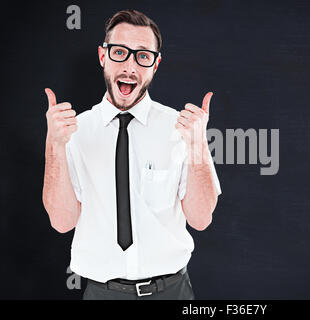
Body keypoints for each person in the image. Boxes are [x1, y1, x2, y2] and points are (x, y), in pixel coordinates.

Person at [42, 9, 221, 300]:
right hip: (103, 293)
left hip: (172, 291)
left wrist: (198, 146)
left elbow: (201, 219)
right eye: (120, 53)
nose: (130, 66)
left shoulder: (183, 129)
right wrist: (55, 146)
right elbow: (62, 222)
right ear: (103, 57)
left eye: (143, 56)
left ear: (155, 64)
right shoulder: (74, 131)